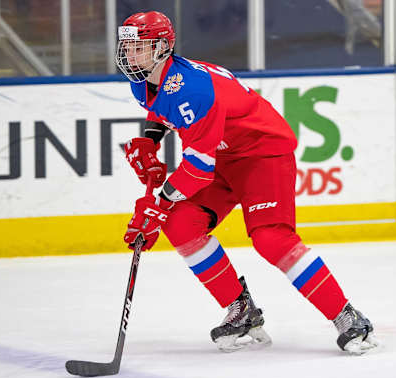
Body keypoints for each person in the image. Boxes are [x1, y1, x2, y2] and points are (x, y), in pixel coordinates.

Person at [117, 11, 379, 354]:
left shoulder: (192, 87)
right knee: (181, 224)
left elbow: (197, 169)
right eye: (127, 45)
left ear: (163, 47)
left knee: (271, 238)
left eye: (139, 46)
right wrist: (150, 140)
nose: (129, 53)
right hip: (223, 157)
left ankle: (347, 316)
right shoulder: (144, 80)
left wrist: (159, 204)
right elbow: (164, 111)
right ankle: (241, 310)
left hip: (261, 154)